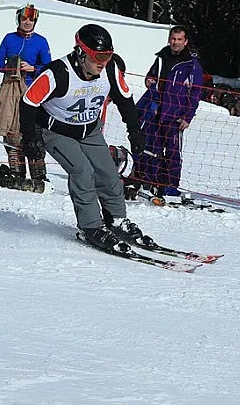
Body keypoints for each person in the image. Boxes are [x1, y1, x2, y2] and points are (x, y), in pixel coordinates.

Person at [19, 24, 147, 253]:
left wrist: (135, 131)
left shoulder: (110, 69)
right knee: (82, 172)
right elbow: (28, 103)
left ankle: (116, 220)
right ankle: (91, 227)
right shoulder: (57, 72)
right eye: (98, 56)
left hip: (90, 130)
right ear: (81, 53)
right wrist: (30, 137)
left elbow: (125, 99)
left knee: (108, 173)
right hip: (56, 131)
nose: (103, 62)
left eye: (107, 55)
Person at [133, 25, 203, 203]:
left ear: (185, 42)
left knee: (172, 152)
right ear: (169, 40)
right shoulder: (161, 58)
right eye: (173, 39)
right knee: (151, 149)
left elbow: (196, 93)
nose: (176, 43)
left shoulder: (191, 65)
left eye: (180, 39)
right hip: (156, 111)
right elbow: (151, 74)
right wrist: (149, 79)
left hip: (176, 116)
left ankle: (170, 188)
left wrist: (188, 117)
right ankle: (151, 183)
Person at [0, 4, 51, 190]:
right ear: (19, 20)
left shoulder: (41, 41)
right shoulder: (9, 39)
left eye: (31, 19)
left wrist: (33, 69)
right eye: (25, 19)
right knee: (12, 132)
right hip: (10, 91)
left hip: (32, 93)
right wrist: (10, 67)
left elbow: (48, 69)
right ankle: (17, 173)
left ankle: (39, 176)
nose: (28, 22)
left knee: (32, 132)